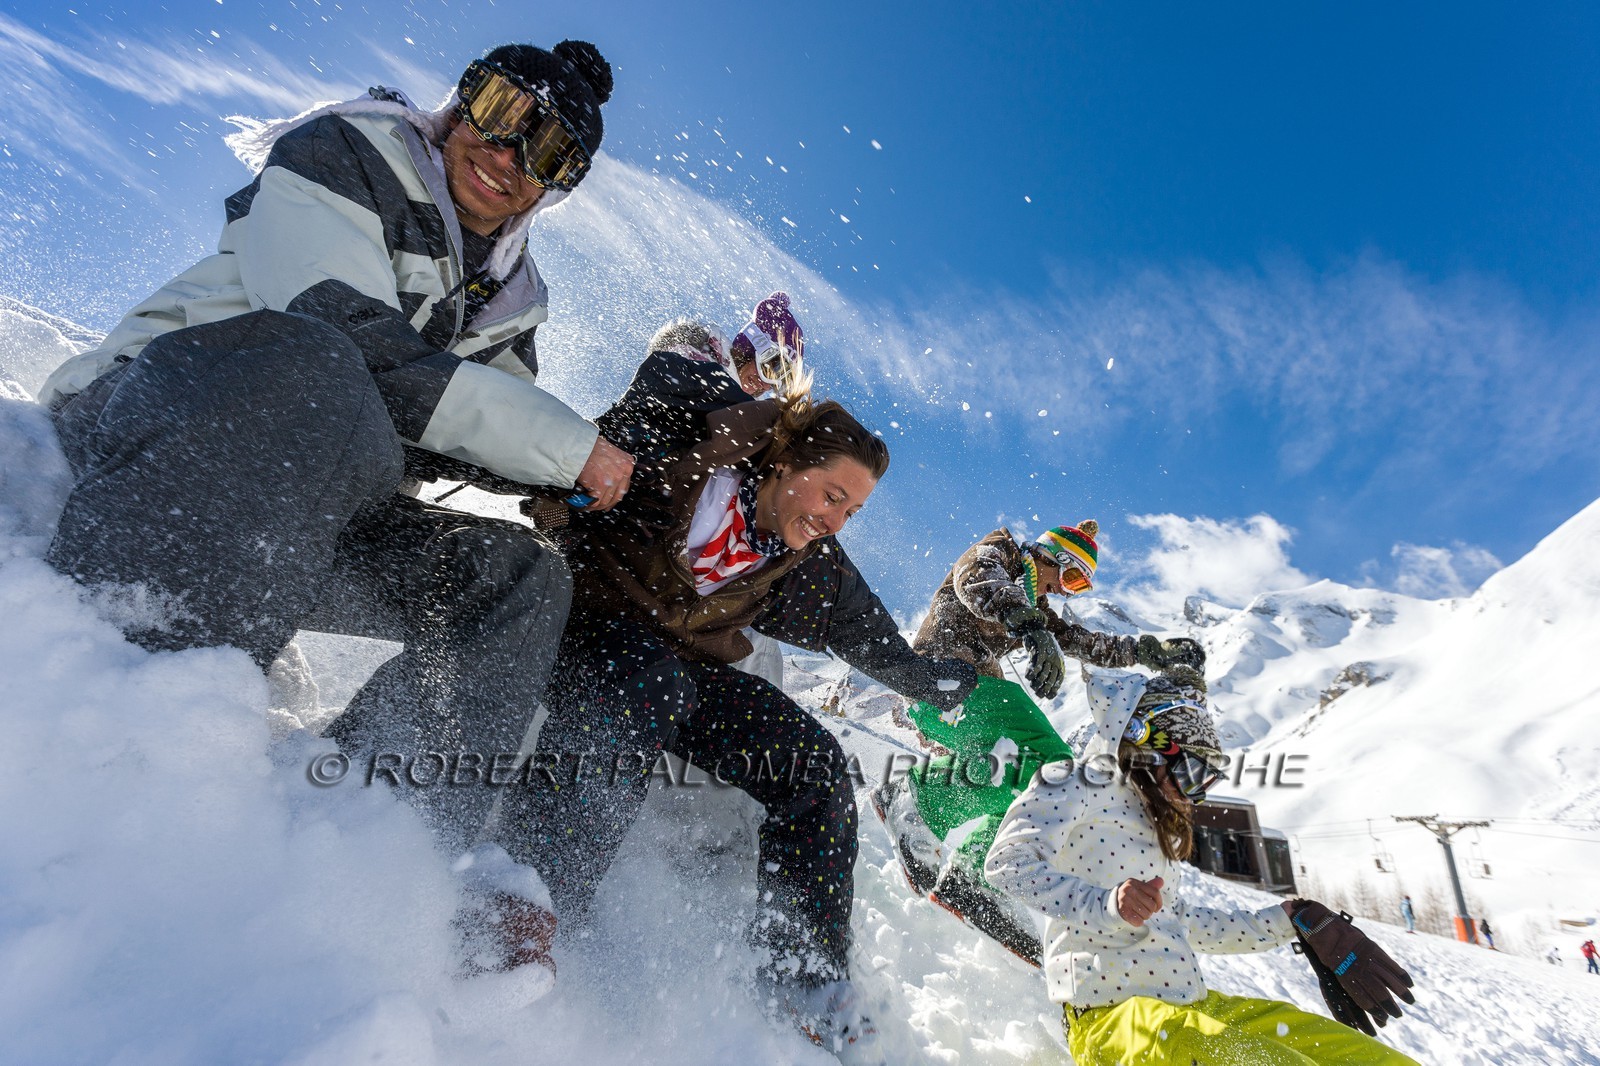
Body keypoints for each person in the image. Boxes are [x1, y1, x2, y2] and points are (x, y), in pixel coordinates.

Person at [38, 42, 624, 988]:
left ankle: (374, 830)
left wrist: (558, 493)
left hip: (310, 509)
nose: (510, 155)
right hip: (166, 430)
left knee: (519, 575)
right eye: (505, 111)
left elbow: (473, 438)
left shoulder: (511, 303)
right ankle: (128, 730)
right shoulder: (346, 151)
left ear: (560, 186)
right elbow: (350, 340)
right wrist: (561, 446)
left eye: (549, 152)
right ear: (462, 99)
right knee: (324, 372)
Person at [495, 395, 973, 1050]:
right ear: (783, 463)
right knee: (647, 688)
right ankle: (524, 902)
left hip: (675, 669)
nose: (835, 519)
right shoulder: (684, 455)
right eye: (831, 494)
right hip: (578, 628)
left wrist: (932, 683)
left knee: (812, 765)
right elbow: (588, 440)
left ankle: (801, 970)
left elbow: (866, 633)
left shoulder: (805, 561)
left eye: (851, 511)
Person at [986, 667, 1420, 1064]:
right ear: (1146, 743)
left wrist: (1290, 920)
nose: (1195, 797)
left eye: (1208, 782)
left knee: (1364, 1059)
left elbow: (1184, 922)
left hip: (1193, 1007)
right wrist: (1106, 904)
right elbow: (1006, 863)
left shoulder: (1148, 821)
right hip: (1114, 1020)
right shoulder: (1076, 781)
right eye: (1194, 775)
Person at [873, 520, 1205, 963]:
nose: (1065, 592)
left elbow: (1087, 642)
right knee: (1054, 768)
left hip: (965, 697)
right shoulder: (999, 552)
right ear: (1053, 557)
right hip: (943, 681)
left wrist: (1151, 653)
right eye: (1070, 578)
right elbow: (976, 581)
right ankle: (918, 798)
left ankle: (978, 869)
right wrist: (1028, 626)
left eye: (1078, 587)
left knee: (1035, 780)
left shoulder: (1034, 604)